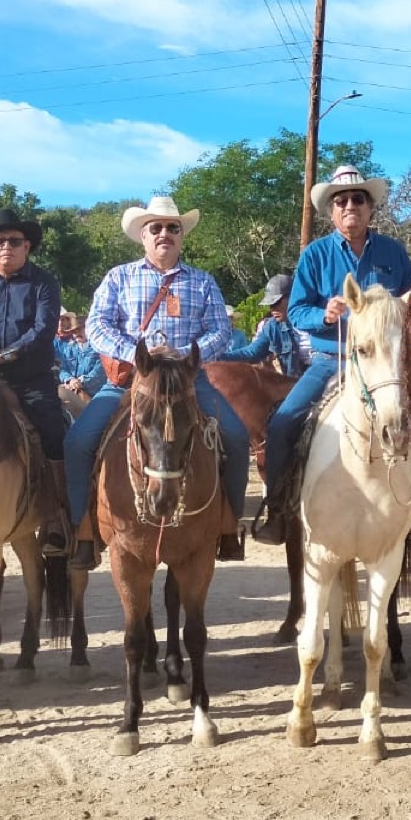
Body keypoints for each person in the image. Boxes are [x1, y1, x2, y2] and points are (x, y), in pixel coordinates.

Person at [63, 194, 249, 568]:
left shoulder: (202, 282)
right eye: (156, 228)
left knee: (236, 436)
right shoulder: (119, 277)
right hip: (133, 380)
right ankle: (82, 530)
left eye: (172, 228)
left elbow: (220, 331)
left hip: (189, 382)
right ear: (143, 236)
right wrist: (135, 353)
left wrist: (186, 355)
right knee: (78, 441)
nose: (164, 233)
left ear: (181, 237)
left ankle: (227, 527)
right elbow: (98, 325)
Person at [250, 165, 411, 544]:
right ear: (331, 211)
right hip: (331, 361)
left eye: (358, 199)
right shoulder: (315, 255)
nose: (350, 206)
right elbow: (296, 312)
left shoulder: (394, 252)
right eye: (341, 201)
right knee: (282, 424)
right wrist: (324, 314)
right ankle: (278, 510)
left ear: (371, 207)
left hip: (385, 366)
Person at [0, 208, 70, 550]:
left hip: (31, 378)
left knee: (53, 430)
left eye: (15, 241)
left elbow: (43, 328)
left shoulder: (44, 283)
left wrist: (8, 353)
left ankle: (58, 515)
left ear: (27, 247)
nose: (7, 246)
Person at [218, 274, 311, 376]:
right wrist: (215, 357)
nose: (272, 309)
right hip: (295, 383)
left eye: (276, 303)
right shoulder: (273, 327)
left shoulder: (319, 318)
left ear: (293, 297)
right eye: (270, 305)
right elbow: (251, 353)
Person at [53, 311, 107, 418]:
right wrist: (70, 380)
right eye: (73, 331)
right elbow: (63, 369)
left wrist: (79, 382)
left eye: (80, 329)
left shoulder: (99, 349)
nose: (76, 333)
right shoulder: (70, 349)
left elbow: (99, 374)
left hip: (95, 394)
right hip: (72, 389)